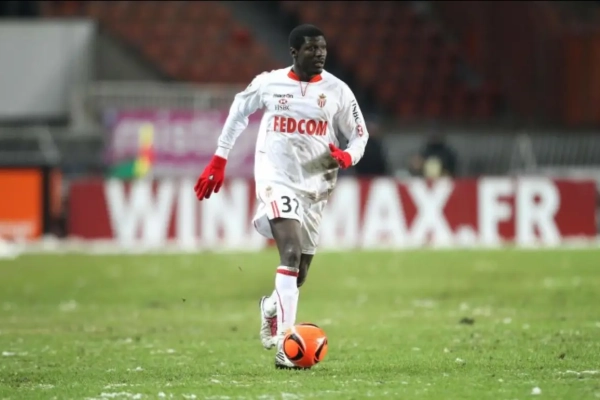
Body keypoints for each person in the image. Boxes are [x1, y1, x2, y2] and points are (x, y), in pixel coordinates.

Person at [193, 24, 369, 369]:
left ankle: (271, 306)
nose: (320, 54)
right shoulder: (269, 83)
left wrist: (348, 156)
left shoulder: (338, 90)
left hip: (317, 183)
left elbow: (360, 136)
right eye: (312, 49)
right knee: (289, 252)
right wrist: (219, 157)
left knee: (299, 273)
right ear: (294, 52)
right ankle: (287, 345)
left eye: (323, 49)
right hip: (276, 178)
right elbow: (239, 111)